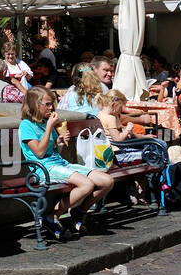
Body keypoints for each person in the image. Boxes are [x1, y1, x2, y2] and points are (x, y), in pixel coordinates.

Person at [19, 86, 114, 239]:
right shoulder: (27, 125)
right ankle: (52, 215)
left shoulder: (44, 122)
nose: (51, 108)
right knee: (86, 184)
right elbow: (39, 152)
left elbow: (53, 152)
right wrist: (50, 127)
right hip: (43, 169)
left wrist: (60, 143)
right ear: (35, 105)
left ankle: (80, 211)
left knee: (107, 181)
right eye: (47, 104)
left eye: (52, 104)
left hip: (59, 163)